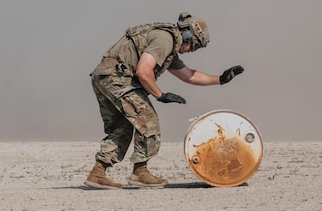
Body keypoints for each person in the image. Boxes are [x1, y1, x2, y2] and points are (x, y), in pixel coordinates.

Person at [85, 13, 244, 190]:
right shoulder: (164, 40)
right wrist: (160, 95)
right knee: (148, 121)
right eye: (194, 44)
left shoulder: (168, 47)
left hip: (105, 77)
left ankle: (98, 173)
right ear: (187, 35)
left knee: (123, 127)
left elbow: (189, 75)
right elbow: (144, 71)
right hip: (117, 79)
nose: (192, 49)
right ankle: (140, 173)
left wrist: (220, 79)